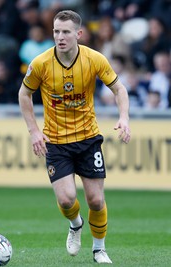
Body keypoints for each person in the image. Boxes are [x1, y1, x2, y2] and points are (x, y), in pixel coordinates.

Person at [18, 10, 131, 264]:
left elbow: (119, 88)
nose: (60, 37)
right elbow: (24, 95)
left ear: (78, 34)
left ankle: (99, 249)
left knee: (95, 199)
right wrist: (34, 131)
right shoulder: (41, 63)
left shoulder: (94, 59)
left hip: (88, 138)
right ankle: (75, 224)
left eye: (66, 32)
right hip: (55, 141)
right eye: (56, 31)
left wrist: (124, 117)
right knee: (67, 198)